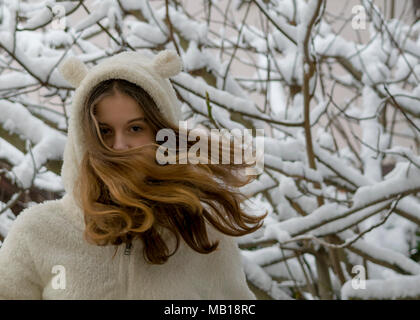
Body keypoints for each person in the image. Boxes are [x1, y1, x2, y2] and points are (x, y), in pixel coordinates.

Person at [0, 49, 267, 299]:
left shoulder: (203, 235)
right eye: (104, 131)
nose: (119, 146)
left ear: (162, 134)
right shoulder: (37, 232)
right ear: (83, 138)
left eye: (135, 129)